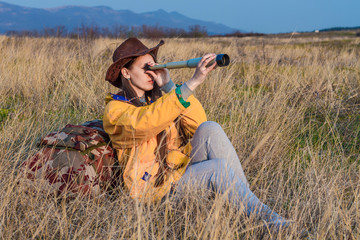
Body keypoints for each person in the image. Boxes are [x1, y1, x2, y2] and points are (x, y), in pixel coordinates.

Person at [103, 38, 290, 229]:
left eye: (154, 66)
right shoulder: (115, 110)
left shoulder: (159, 101)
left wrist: (169, 86)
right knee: (217, 168)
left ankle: (249, 207)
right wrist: (191, 83)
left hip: (176, 174)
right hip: (154, 193)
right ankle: (274, 224)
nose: (152, 72)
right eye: (145, 68)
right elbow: (146, 122)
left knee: (210, 128)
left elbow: (198, 124)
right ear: (126, 72)